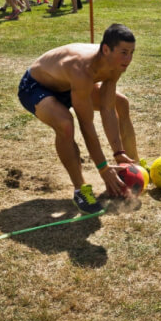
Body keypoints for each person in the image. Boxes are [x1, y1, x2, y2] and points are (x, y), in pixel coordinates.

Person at [17, 23, 139, 214]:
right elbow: (86, 123)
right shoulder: (82, 68)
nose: (128, 58)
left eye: (132, 52)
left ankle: (132, 166)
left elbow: (108, 109)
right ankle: (80, 189)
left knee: (120, 103)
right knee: (65, 124)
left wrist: (118, 151)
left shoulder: (116, 64)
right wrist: (103, 168)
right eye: (124, 52)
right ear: (106, 49)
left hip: (70, 86)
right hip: (37, 88)